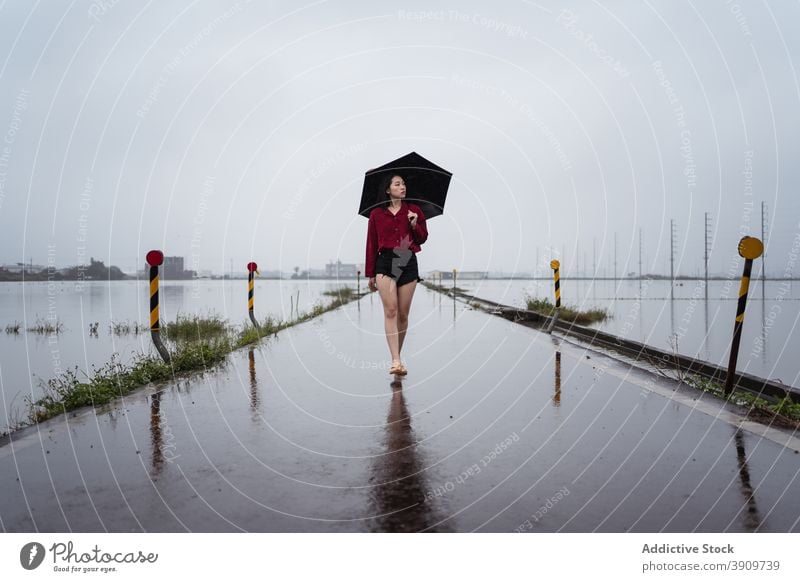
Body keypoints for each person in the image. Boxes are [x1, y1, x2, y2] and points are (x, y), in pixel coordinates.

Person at [365, 173, 428, 375]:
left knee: (402, 314)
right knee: (390, 311)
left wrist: (414, 224)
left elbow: (423, 238)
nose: (402, 187)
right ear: (388, 189)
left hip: (407, 259)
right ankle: (395, 360)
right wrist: (370, 274)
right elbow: (371, 244)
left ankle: (397, 357)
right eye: (397, 184)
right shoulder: (376, 214)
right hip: (385, 261)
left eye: (404, 183)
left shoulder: (414, 210)